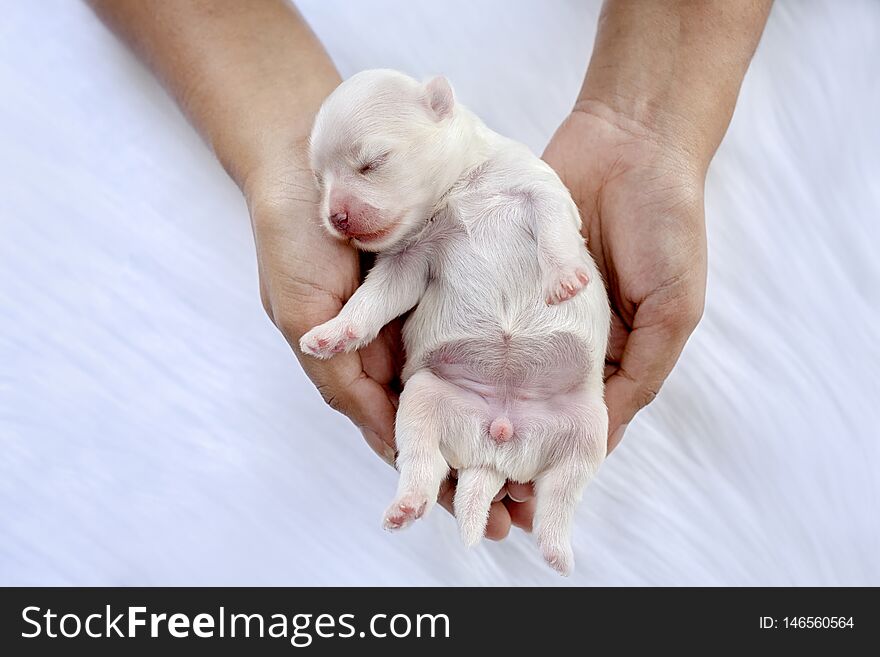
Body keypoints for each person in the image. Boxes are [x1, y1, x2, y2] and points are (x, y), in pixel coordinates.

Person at [89, 0, 772, 540]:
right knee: (419, 406)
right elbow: (398, 278)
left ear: (439, 111)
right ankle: (416, 479)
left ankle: (555, 522)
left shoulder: (508, 172)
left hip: (551, 370)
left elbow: (547, 205)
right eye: (320, 179)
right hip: (460, 377)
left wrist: (642, 131)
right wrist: (283, 157)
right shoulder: (416, 227)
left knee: (585, 423)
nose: (336, 212)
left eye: (370, 164)